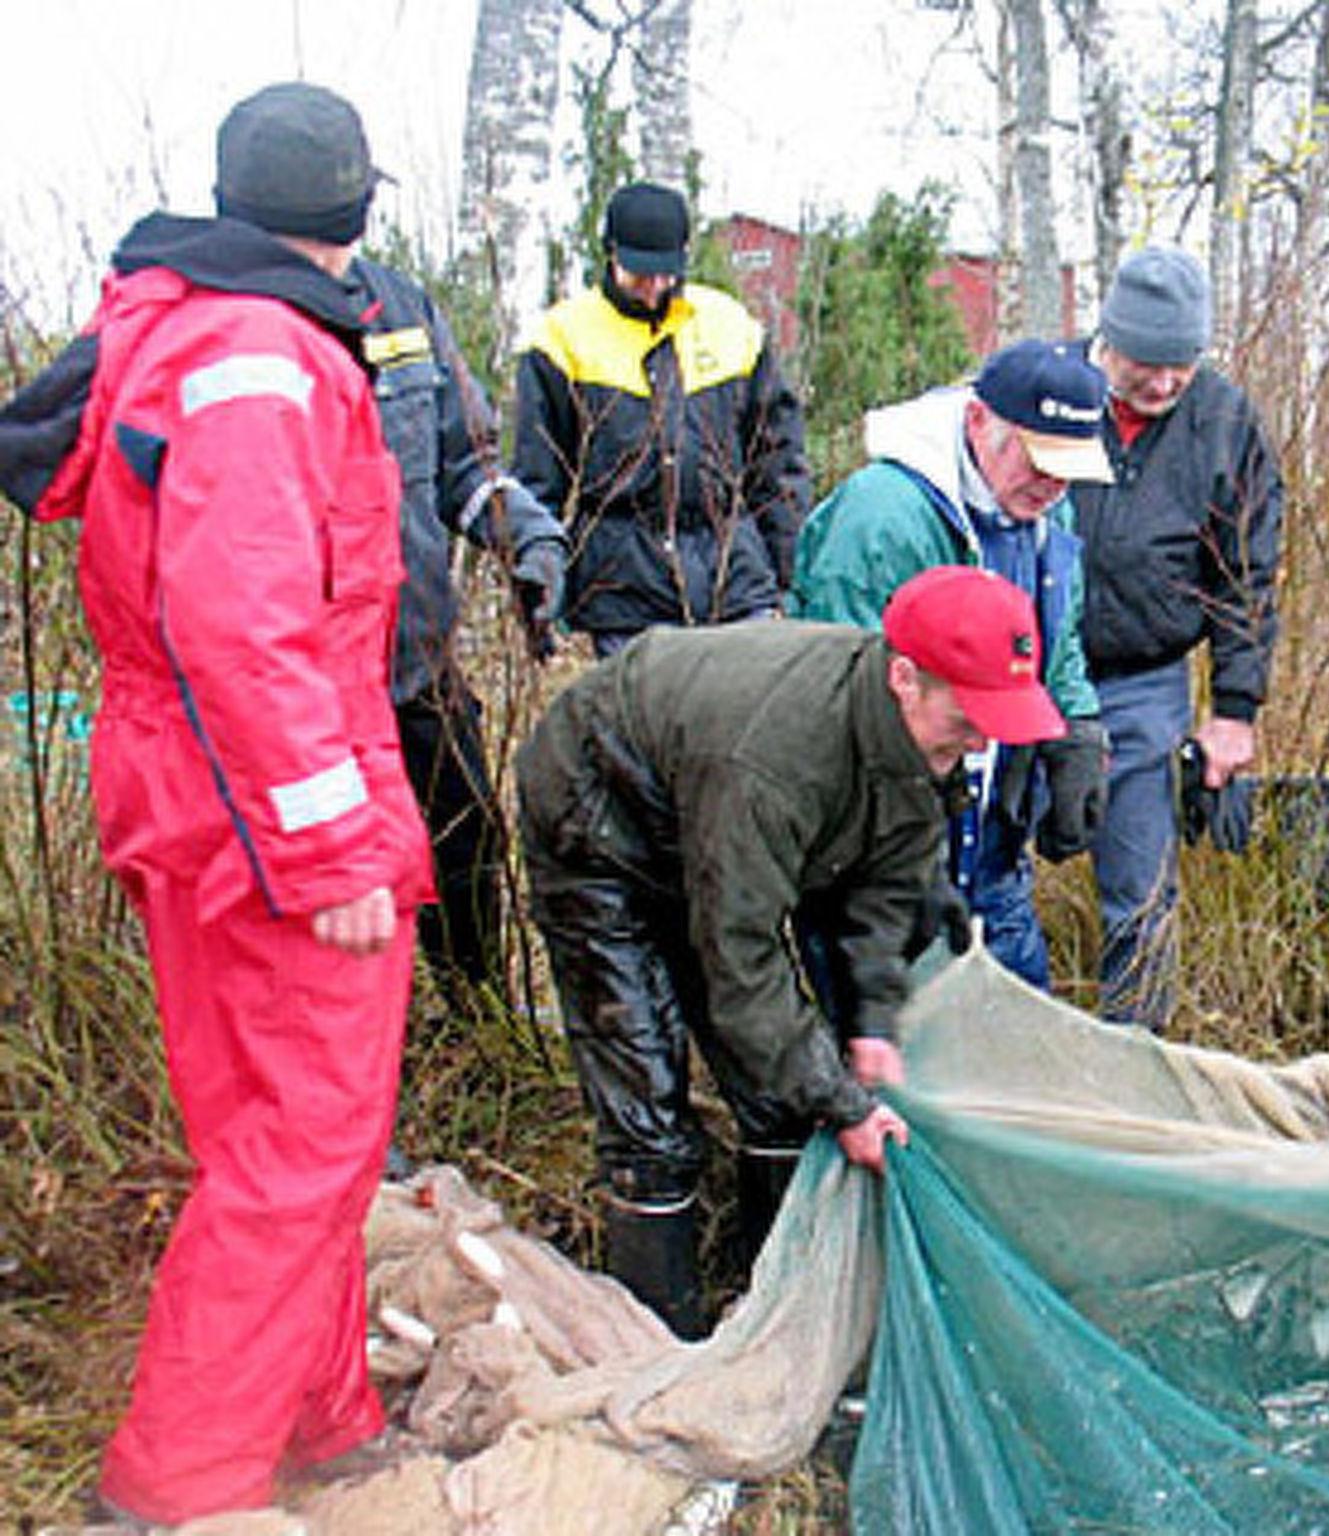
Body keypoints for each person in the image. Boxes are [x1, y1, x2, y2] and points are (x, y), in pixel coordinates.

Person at [0, 83, 433, 1525]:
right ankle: (184, 1474)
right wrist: (328, 849)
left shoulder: (183, 320)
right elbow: (244, 625)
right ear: (356, 210)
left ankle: (318, 1412)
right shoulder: (262, 353)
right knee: (304, 1145)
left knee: (270, 1135)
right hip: (261, 804)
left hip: (189, 784)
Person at [514, 565, 1067, 1338]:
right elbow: (739, 961)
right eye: (970, 715)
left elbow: (887, 890)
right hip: (599, 820)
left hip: (711, 822)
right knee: (650, 1110)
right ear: (905, 678)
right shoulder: (776, 760)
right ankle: (657, 1342)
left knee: (780, 1095)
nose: (982, 740)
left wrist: (873, 1024)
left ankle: (776, 1310)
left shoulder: (917, 746)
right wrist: (842, 1103)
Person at [789, 338, 1113, 987]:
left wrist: (1076, 726)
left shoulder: (1046, 510)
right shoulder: (883, 517)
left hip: (994, 849)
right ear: (977, 423)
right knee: (893, 1061)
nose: (1053, 484)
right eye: (1037, 458)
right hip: (881, 854)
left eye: (1069, 467)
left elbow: (1058, 636)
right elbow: (842, 698)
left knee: (1019, 1049)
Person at [1067, 247, 1284, 1026]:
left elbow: (1248, 571)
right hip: (1021, 677)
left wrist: (1235, 709)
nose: (1161, 385)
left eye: (1181, 365)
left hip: (1145, 680)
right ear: (1107, 338)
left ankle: (1133, 1064)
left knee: (1141, 898)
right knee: (984, 880)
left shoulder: (1225, 422)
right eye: (1144, 364)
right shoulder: (1052, 389)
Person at [349, 254, 568, 997]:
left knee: (465, 839)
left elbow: (464, 466)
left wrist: (530, 541)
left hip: (414, 657)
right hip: (303, 687)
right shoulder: (241, 319)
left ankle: (476, 1020)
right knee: (340, 872)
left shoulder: (401, 306)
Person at [511, 180, 810, 654]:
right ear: (610, 254)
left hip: (735, 585)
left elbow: (778, 466)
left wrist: (791, 579)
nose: (653, 289)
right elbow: (535, 485)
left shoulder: (732, 328)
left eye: (666, 275)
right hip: (622, 595)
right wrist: (539, 589)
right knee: (648, 727)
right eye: (638, 274)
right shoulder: (560, 342)